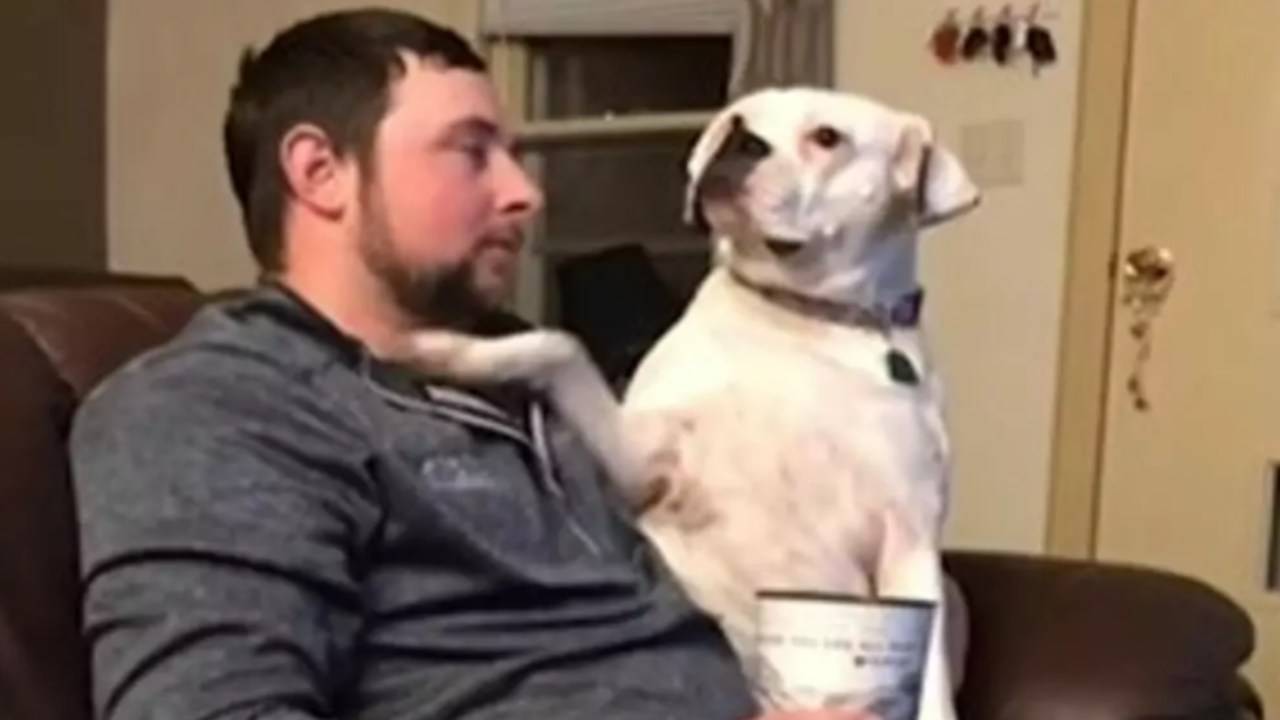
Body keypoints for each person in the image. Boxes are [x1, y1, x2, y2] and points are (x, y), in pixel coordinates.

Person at [70, 8, 871, 720]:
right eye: (470, 151)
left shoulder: (521, 378)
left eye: (512, 154)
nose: (526, 192)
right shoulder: (220, 406)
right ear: (319, 172)